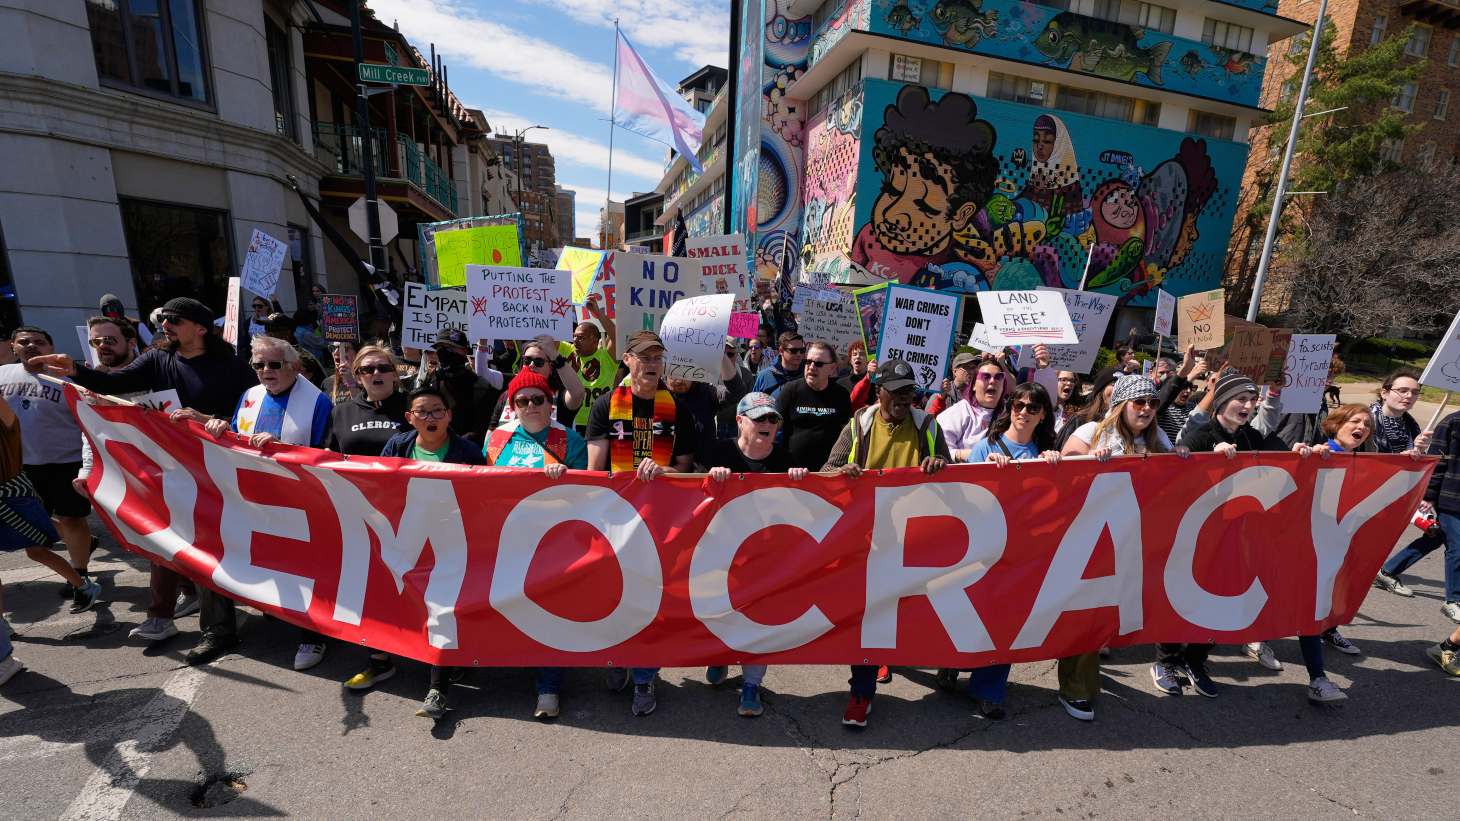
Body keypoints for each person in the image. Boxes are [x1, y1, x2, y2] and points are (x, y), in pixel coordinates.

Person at [32, 298, 256, 652]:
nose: (165, 325)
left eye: (174, 319)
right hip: (177, 469)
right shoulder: (158, 359)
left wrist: (216, 422)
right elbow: (114, 383)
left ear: (200, 328)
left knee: (235, 541)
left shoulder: (232, 366)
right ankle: (216, 631)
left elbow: (252, 412)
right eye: (163, 319)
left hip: (223, 466)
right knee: (197, 543)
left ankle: (273, 607)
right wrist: (74, 370)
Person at [1152, 372, 1335, 703]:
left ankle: (1195, 659)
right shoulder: (1200, 434)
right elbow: (1176, 470)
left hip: (1238, 536)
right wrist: (1209, 455)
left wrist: (1304, 452)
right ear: (1222, 401)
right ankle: (1166, 660)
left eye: (1252, 400)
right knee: (1183, 597)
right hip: (1196, 534)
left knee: (1219, 600)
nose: (1248, 406)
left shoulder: (1252, 435)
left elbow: (1285, 459)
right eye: (1241, 399)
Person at [822, 358, 952, 727]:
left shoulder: (927, 425)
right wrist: (842, 472)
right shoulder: (859, 424)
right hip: (867, 540)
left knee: (913, 615)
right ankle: (862, 692)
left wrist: (938, 464)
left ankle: (940, 665)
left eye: (909, 391)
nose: (903, 398)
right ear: (878, 392)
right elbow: (826, 470)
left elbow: (952, 475)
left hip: (915, 540)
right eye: (895, 392)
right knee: (869, 618)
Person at [1059, 375, 1187, 721]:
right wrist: (1087, 460)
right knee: (1086, 615)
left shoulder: (1158, 439)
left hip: (1133, 542)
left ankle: (1087, 677)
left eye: (1153, 402)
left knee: (1106, 617)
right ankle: (1074, 687)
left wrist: (1180, 457)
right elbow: (1061, 475)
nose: (1147, 409)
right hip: (1091, 541)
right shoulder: (1092, 432)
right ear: (1120, 405)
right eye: (1139, 402)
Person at [202, 336, 332, 670]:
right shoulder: (250, 395)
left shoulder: (317, 402)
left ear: (295, 367)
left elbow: (325, 454)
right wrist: (218, 427)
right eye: (258, 364)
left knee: (304, 569)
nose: (265, 371)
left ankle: (313, 636)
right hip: (251, 498)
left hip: (296, 500)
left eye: (274, 364)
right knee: (219, 550)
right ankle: (221, 631)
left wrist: (282, 447)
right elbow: (236, 437)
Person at [585, 330, 697, 715]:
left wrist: (664, 472)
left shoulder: (677, 408)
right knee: (615, 597)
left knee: (651, 603)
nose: (652, 364)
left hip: (660, 522)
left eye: (657, 358)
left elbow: (686, 469)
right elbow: (594, 471)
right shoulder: (605, 405)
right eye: (644, 357)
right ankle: (618, 659)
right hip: (616, 521)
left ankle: (645, 677)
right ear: (627, 360)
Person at [947, 382, 1062, 719]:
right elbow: (964, 496)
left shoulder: (1046, 452)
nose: (1023, 412)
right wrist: (985, 469)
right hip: (983, 549)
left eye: (1032, 407)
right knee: (971, 617)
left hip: (1022, 554)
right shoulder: (986, 446)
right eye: (1018, 405)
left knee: (1006, 624)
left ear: (1043, 415)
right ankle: (951, 663)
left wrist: (1057, 466)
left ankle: (989, 690)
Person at [483, 369, 589, 719]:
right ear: (512, 406)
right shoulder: (498, 438)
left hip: (553, 544)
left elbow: (586, 495)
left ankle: (549, 687)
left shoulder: (568, 440)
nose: (530, 406)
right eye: (522, 400)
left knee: (550, 615)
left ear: (550, 402)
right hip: (507, 540)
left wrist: (565, 478)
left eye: (538, 399)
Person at [380, 386, 486, 719]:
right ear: (409, 418)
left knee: (443, 606)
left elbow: (484, 499)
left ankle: (438, 689)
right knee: (394, 593)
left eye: (438, 410)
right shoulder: (397, 446)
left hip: (450, 542)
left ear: (449, 416)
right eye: (422, 411)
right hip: (409, 540)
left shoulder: (468, 452)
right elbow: (377, 485)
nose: (431, 417)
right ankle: (381, 660)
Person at [702, 392, 809, 717]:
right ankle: (720, 656)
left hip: (766, 559)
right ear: (739, 421)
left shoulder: (786, 460)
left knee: (758, 623)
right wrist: (710, 480)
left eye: (773, 419)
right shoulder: (717, 452)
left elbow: (804, 512)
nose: (767, 423)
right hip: (722, 558)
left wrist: (800, 485)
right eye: (759, 417)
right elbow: (691, 503)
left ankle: (751, 685)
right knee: (722, 615)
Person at [0, 390, 102, 686]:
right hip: (11, 499)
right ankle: (3, 625)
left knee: (37, 548)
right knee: (38, 546)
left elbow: (6, 413)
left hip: (13, 499)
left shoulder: (7, 425)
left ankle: (84, 584)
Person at [328, 346, 411, 691]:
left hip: (408, 512)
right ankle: (379, 659)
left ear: (395, 373)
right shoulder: (342, 412)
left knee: (414, 585)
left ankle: (436, 659)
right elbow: (325, 458)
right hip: (358, 513)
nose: (375, 374)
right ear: (357, 376)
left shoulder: (413, 407)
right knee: (370, 588)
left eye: (382, 367)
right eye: (367, 369)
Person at [1, 328, 99, 603]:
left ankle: (79, 573)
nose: (31, 346)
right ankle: (79, 545)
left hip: (67, 461)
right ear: (13, 346)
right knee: (31, 526)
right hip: (21, 469)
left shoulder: (69, 378)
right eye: (24, 342)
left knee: (72, 518)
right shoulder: (2, 374)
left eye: (39, 342)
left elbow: (90, 420)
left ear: (51, 347)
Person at [1386, 405, 1460, 623]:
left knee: (1436, 537)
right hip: (1451, 496)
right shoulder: (1452, 422)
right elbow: (1438, 460)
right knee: (1457, 547)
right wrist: (1429, 495)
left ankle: (1388, 570)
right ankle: (1453, 601)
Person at [776, 341, 853, 470]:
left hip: (828, 471)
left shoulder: (841, 394)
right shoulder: (791, 390)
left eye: (818, 364)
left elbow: (846, 432)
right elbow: (774, 426)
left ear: (832, 368)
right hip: (794, 471)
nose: (811, 367)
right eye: (808, 362)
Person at [416, 329, 501, 444]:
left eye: (450, 348)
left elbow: (482, 429)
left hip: (466, 450)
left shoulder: (480, 387)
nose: (443, 352)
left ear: (464, 351)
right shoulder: (429, 383)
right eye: (439, 348)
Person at [936, 352, 1011, 462]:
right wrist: (976, 454)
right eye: (985, 377)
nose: (992, 381)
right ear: (974, 385)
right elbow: (940, 453)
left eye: (999, 377)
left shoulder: (1012, 414)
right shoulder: (956, 414)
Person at [562, 301, 617, 432]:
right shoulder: (569, 351)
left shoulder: (608, 357)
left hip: (602, 422)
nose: (575, 340)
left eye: (581, 337)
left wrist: (598, 314)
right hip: (574, 422)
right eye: (574, 336)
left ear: (594, 340)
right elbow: (549, 338)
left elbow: (616, 336)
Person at [752, 332, 807, 397]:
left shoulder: (808, 375)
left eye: (802, 350)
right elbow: (754, 401)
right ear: (781, 351)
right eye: (793, 350)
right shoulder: (764, 376)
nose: (799, 354)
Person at [925, 351, 977, 417]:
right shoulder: (941, 395)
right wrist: (940, 399)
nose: (972, 372)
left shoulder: (977, 396)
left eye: (973, 368)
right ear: (955, 371)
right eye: (967, 367)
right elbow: (928, 420)